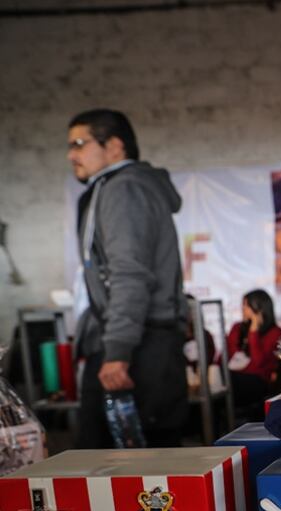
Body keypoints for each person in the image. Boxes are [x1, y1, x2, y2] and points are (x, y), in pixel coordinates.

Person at [69, 109, 188, 448]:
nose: (71, 155)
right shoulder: (115, 188)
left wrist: (117, 351)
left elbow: (129, 273)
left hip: (140, 346)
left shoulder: (124, 189)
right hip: (139, 340)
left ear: (115, 146)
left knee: (124, 471)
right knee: (132, 470)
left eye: (80, 143)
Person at [226, 289, 281, 414]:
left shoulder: (276, 332)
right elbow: (231, 356)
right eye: (243, 304)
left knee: (232, 382)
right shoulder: (237, 328)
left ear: (260, 308)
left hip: (258, 381)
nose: (243, 309)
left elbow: (258, 362)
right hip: (234, 377)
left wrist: (253, 331)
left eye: (247, 305)